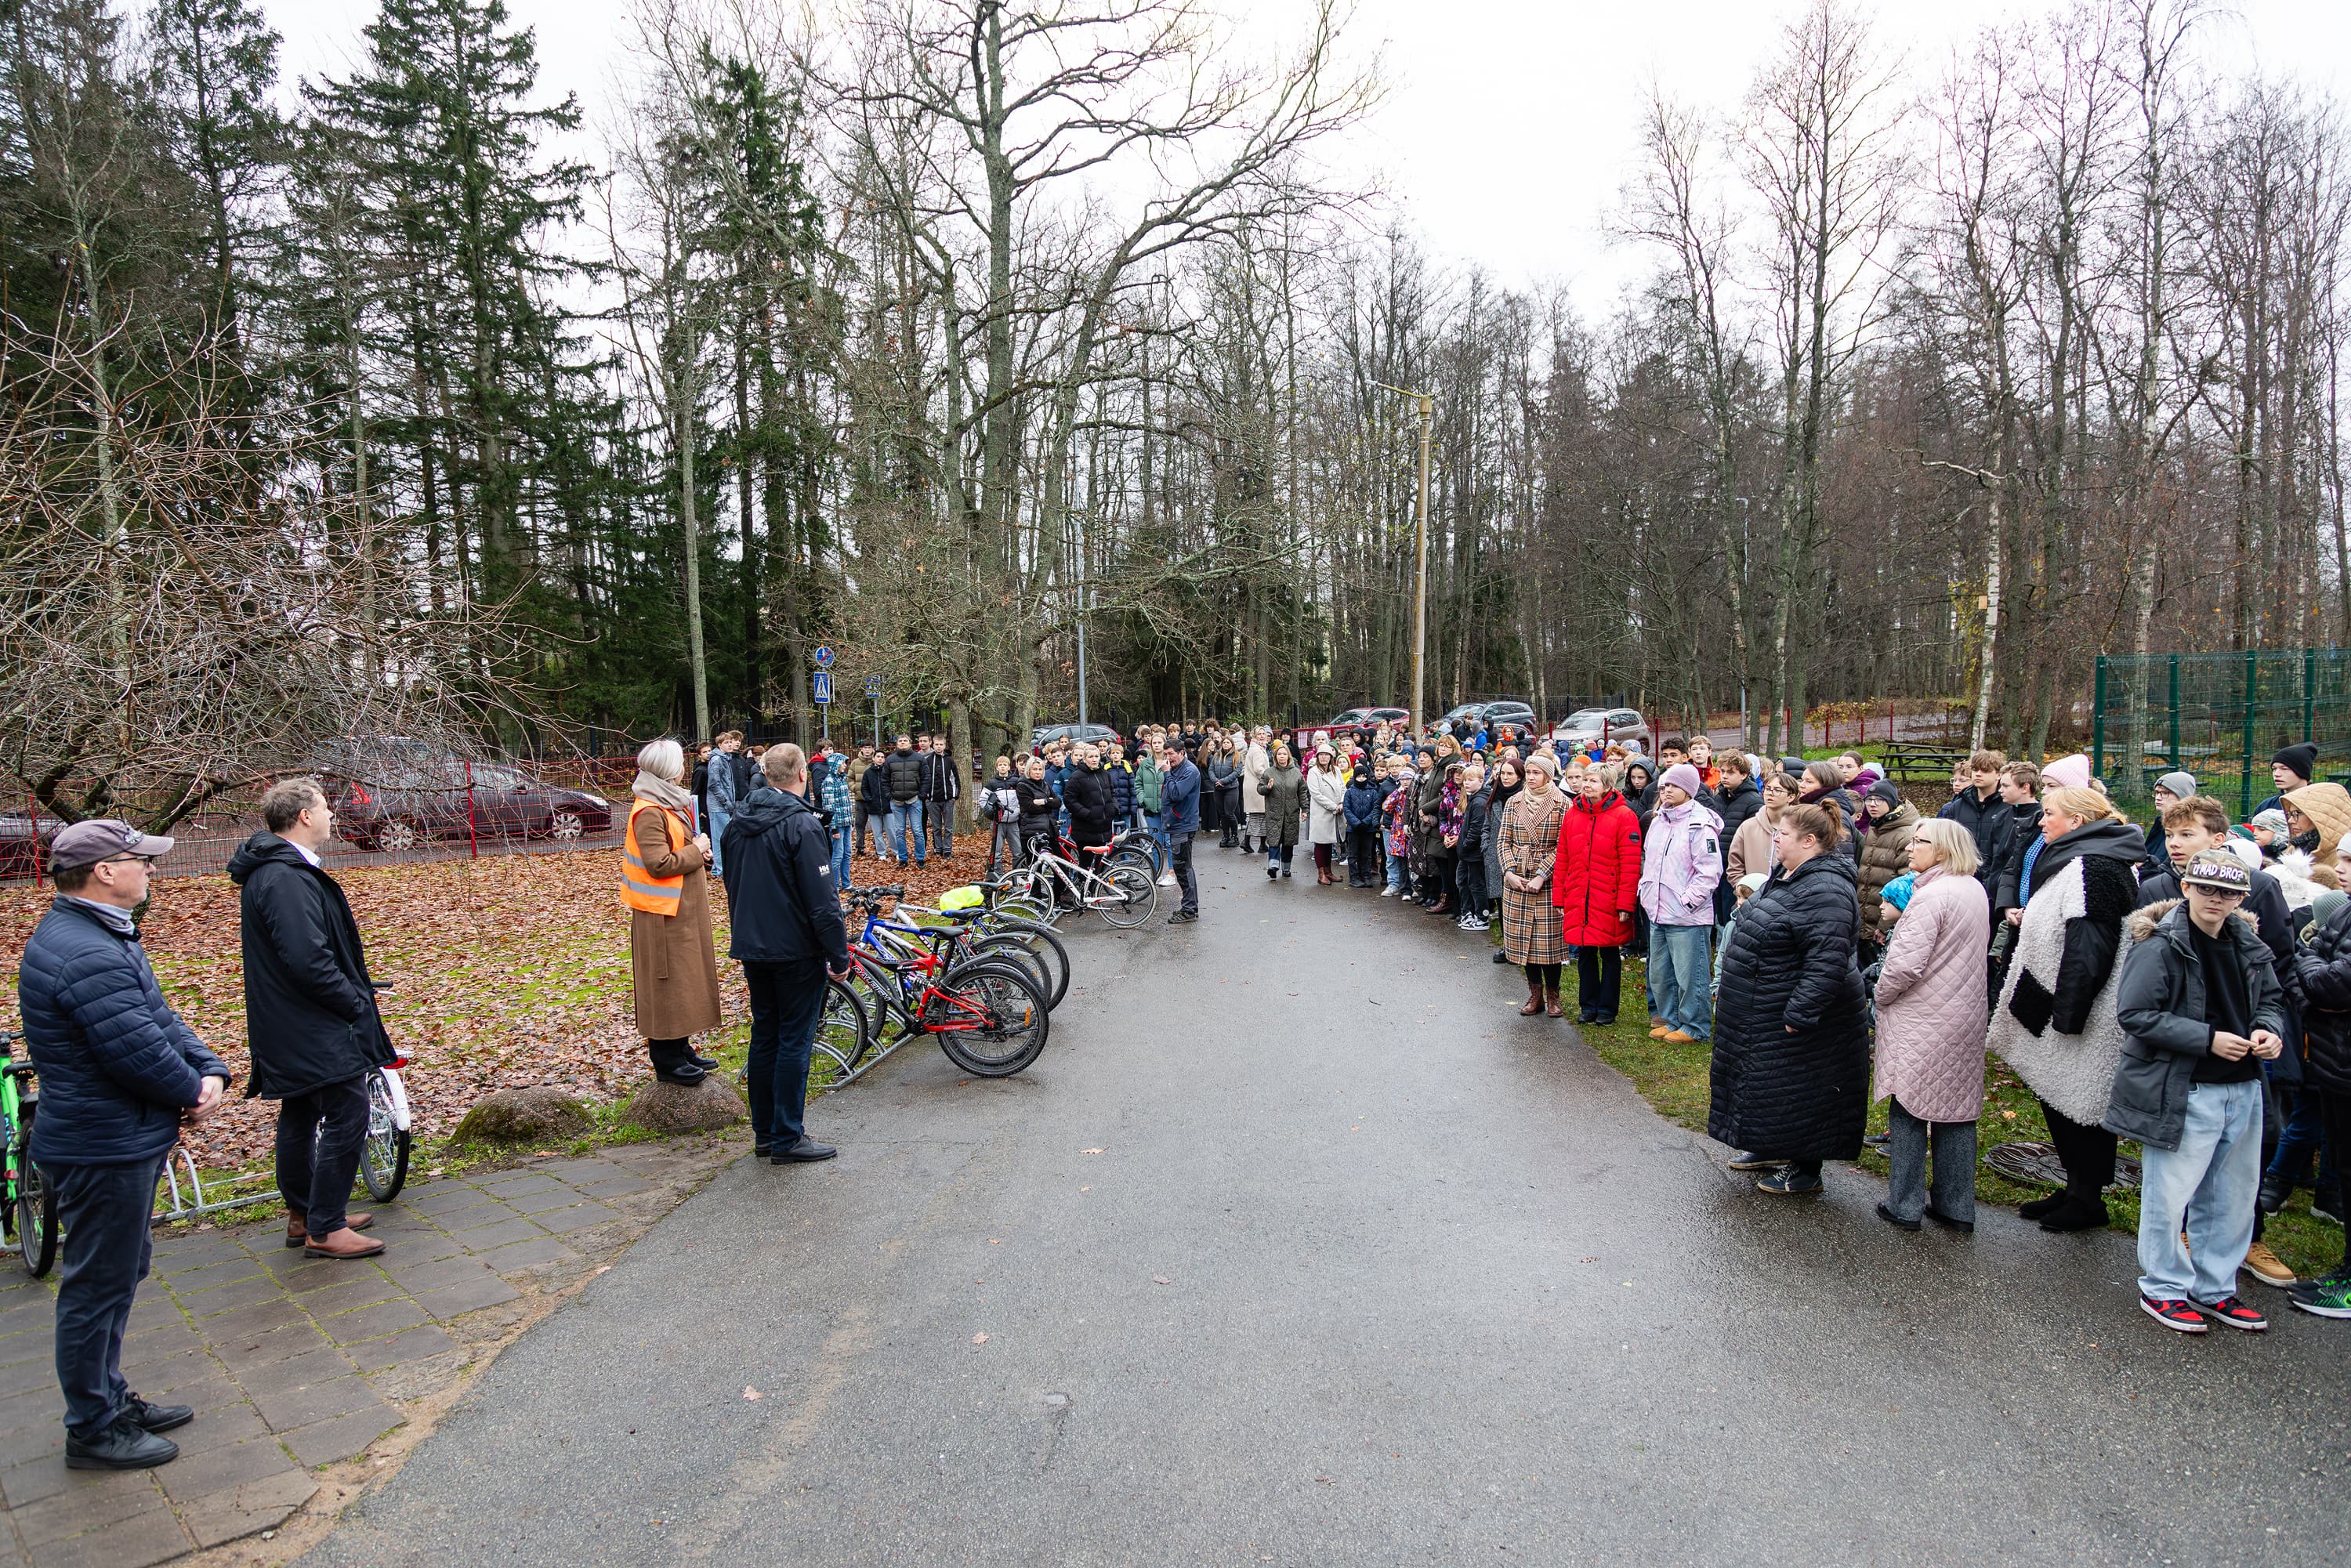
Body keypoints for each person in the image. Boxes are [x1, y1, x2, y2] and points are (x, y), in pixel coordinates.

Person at [19, 818, 230, 1471]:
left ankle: (108, 1399)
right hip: (101, 1144)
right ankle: (92, 1426)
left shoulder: (101, 932)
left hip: (114, 1136)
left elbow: (156, 1017)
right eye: (140, 859)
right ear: (105, 871)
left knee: (118, 1273)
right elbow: (132, 1049)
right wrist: (191, 1091)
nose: (151, 868)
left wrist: (210, 1066)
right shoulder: (84, 950)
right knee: (96, 1286)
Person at [2107, 856, 2285, 1332]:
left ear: (2241, 898)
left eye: (2227, 893)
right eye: (2205, 889)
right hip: (2184, 1088)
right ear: (2186, 887)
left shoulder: (2249, 943)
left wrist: (2269, 1031)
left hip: (2244, 1087)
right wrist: (2207, 1039)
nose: (2215, 899)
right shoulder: (2159, 943)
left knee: (2233, 1196)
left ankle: (2215, 1288)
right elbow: (2135, 1014)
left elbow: (2272, 1000)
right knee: (2170, 1195)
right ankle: (2163, 1288)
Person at [227, 778, 394, 1262]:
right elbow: (307, 959)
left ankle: (305, 1214)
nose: (331, 816)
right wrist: (353, 1002)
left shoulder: (278, 871)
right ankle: (325, 1226)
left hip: (289, 1019)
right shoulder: (285, 877)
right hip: (309, 1020)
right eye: (325, 807)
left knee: (300, 1111)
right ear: (304, 815)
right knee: (348, 1110)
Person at [1984, 784, 2145, 1232]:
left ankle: (2088, 1199)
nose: (2041, 820)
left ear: (2077, 821)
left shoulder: (2096, 866)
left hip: (2077, 1010)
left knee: (2080, 1103)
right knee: (2057, 1097)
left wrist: (2069, 1016)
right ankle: (2076, 1187)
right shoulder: (2079, 858)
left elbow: (2091, 946)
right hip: (2050, 997)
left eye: (2049, 813)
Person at [1708, 802, 1869, 1196]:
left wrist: (1801, 1011)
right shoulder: (1789, 874)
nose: (1776, 838)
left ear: (1809, 841)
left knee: (1804, 1088)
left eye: (1783, 833)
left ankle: (1806, 1169)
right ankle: (1771, 1145)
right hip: (1763, 1004)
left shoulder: (1827, 888)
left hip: (1797, 1011)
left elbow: (1828, 960)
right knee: (1770, 1083)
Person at [722, 744, 852, 1164]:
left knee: (766, 1035)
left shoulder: (737, 824)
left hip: (753, 944)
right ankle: (786, 1136)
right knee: (793, 1039)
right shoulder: (802, 826)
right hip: (794, 948)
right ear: (801, 774)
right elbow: (823, 901)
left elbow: (732, 885)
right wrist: (838, 956)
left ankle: (767, 1133)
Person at [1870, 818, 1993, 1232]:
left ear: (1941, 849)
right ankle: (1956, 1207)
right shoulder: (1973, 888)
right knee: (1955, 1110)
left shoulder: (1930, 896)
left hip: (1924, 1016)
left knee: (1909, 1106)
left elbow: (1904, 965)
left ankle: (1904, 1205)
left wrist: (1880, 995)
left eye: (1919, 842)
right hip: (1964, 1014)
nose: (1910, 848)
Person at [624, 738, 721, 1086]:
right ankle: (666, 1060)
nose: (684, 768)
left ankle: (680, 1047)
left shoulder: (665, 802)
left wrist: (698, 854)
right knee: (666, 985)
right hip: (661, 914)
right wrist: (697, 849)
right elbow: (659, 864)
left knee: (682, 982)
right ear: (669, 770)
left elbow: (675, 850)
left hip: (677, 910)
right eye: (679, 763)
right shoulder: (649, 811)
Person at [2288, 884, 2351, 1317]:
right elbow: (2301, 972)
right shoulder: (2345, 911)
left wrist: (2313, 969)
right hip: (2334, 1065)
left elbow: (2329, 985)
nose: (2340, 871)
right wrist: (2314, 980)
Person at [1639, 762, 1724, 1045]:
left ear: (1688, 790)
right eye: (1664, 785)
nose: (1666, 790)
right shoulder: (1658, 820)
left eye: (1673, 786)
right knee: (1661, 973)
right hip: (1657, 910)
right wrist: (1646, 892)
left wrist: (1688, 902)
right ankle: (1672, 1019)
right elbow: (1650, 860)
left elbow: (1709, 871)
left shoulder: (1700, 824)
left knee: (1691, 975)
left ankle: (1695, 1025)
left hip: (1687, 916)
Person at [1554, 764, 1641, 1024]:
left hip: (1608, 896)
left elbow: (1630, 863)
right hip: (1580, 894)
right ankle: (1588, 1005)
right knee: (1585, 952)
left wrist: (1626, 903)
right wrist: (1560, 895)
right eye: (1585, 780)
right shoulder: (1574, 814)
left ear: (1607, 786)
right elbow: (1563, 857)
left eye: (1593, 781)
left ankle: (1607, 1008)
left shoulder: (1624, 816)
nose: (1586, 785)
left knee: (1610, 953)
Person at [1500, 753, 1572, 1017]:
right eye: (1528, 772)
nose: (1530, 777)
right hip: (1518, 878)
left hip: (1548, 881)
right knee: (1525, 942)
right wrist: (1509, 871)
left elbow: (1564, 845)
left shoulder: (1563, 804)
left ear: (1548, 775)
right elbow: (1503, 840)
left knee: (1548, 942)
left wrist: (1543, 874)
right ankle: (1535, 994)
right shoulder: (1514, 801)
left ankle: (1554, 995)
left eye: (1536, 773)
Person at [1854, 780, 1921, 945]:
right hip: (1865, 919)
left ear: (1891, 802)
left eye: (1879, 800)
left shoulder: (1905, 834)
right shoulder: (1874, 827)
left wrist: (1886, 926)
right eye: (1869, 800)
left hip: (1885, 923)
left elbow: (1907, 885)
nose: (1872, 804)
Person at [1938, 748, 2009, 880]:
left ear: (1998, 775)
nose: (1978, 774)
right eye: (1975, 770)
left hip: (1997, 877)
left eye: (1985, 770)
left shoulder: (2008, 806)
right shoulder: (1957, 807)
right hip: (1962, 876)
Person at [1726, 770, 1795, 885]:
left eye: (1777, 790)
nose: (1770, 793)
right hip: (1752, 893)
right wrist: (1745, 889)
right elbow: (1734, 868)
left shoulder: (1800, 828)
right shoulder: (1748, 827)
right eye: (1768, 789)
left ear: (1791, 797)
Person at [1161, 741, 1201, 923]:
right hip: (1176, 824)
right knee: (1182, 867)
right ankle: (1190, 907)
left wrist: (1166, 773)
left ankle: (1189, 910)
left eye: (1171, 754)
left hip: (1183, 825)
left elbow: (1176, 794)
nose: (1168, 758)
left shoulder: (1189, 771)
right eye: (1166, 754)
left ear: (1182, 753)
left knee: (1183, 868)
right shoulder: (1177, 769)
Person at [1256, 743, 1305, 881]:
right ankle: (1273, 867)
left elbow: (1302, 792)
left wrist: (1305, 810)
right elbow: (1260, 789)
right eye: (1279, 754)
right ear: (1275, 756)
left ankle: (1286, 868)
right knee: (1274, 840)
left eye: (1284, 754)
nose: (1282, 756)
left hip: (1291, 813)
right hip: (1274, 812)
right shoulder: (1269, 772)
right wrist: (1267, 787)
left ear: (1288, 756)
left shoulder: (1296, 773)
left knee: (1288, 842)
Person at [2142, 770, 2197, 883]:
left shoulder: (2192, 827)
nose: (2158, 797)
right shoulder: (2160, 823)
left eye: (2165, 793)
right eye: (2157, 792)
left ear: (2182, 796)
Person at [1454, 761, 1491, 929]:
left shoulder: (1479, 802)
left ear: (1481, 781)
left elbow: (1476, 829)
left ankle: (1482, 917)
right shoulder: (1473, 799)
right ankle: (1468, 913)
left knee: (1476, 885)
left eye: (1471, 780)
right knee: (1462, 881)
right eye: (1465, 780)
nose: (1467, 783)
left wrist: (1465, 845)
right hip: (1467, 853)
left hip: (1473, 853)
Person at [880, 733, 926, 867]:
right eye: (900, 741)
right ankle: (903, 859)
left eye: (905, 741)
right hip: (897, 801)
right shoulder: (890, 760)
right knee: (899, 832)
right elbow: (884, 779)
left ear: (910, 743)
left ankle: (920, 858)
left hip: (914, 800)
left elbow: (926, 777)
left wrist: (922, 794)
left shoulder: (919, 758)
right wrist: (889, 795)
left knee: (917, 831)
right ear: (897, 744)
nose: (903, 743)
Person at [817, 744, 857, 890]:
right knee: (838, 855)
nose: (845, 766)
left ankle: (846, 883)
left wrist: (851, 822)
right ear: (836, 765)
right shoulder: (829, 782)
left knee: (847, 854)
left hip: (846, 823)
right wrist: (833, 829)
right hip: (837, 826)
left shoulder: (842, 779)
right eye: (843, 763)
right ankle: (834, 885)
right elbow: (829, 807)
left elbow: (847, 803)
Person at [1307, 745, 1346, 885]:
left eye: (1327, 754)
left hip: (1336, 812)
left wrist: (1342, 803)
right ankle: (1321, 874)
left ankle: (1329, 872)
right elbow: (1316, 794)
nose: (1324, 757)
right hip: (1322, 813)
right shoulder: (1314, 772)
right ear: (1317, 756)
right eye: (1321, 754)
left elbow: (1343, 788)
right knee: (1320, 843)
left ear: (1331, 757)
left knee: (1330, 843)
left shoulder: (1336, 770)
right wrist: (1334, 806)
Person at [920, 732, 961, 860]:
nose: (938, 747)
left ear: (944, 745)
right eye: (936, 744)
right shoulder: (928, 761)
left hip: (947, 800)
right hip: (932, 800)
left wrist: (954, 796)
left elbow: (955, 779)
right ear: (933, 745)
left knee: (948, 827)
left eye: (941, 744)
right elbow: (923, 779)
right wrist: (926, 796)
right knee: (936, 827)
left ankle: (947, 850)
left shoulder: (949, 761)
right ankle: (938, 849)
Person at [1014, 755, 1060, 866]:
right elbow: (1031, 808)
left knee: (1060, 863)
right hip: (1032, 831)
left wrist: (1044, 801)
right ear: (1029, 770)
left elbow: (1058, 802)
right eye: (1035, 769)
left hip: (1049, 830)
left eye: (1040, 769)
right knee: (1035, 866)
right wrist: (1049, 804)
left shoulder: (1044, 784)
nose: (1038, 772)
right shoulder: (1022, 785)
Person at [980, 756, 1023, 875]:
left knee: (1018, 852)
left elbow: (1022, 797)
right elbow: (983, 800)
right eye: (1000, 765)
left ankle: (1017, 876)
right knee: (997, 852)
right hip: (998, 823)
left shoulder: (1016, 782)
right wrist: (992, 812)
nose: (1003, 767)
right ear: (997, 767)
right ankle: (998, 876)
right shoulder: (992, 784)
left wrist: (1018, 810)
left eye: (1005, 765)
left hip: (1013, 823)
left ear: (1009, 767)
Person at [2258, 743, 2318, 819]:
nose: (2277, 774)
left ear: (2302, 771)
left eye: (2284, 769)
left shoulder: (2318, 805)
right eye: (2274, 769)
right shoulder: (2267, 806)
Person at [857, 743, 894, 866]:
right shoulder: (868, 773)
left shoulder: (888, 772)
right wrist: (869, 799)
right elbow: (864, 788)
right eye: (878, 757)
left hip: (888, 806)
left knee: (891, 831)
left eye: (882, 757)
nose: (880, 759)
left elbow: (893, 785)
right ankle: (881, 852)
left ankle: (896, 851)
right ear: (873, 758)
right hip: (873, 807)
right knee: (877, 832)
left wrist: (890, 798)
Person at [1713, 751, 1759, 842]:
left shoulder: (1755, 802)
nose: (1724, 776)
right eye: (1723, 771)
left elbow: (1754, 839)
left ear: (1743, 775)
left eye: (1730, 773)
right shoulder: (1718, 798)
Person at [1240, 728, 1270, 852]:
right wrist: (1270, 777)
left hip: (1255, 786)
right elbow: (1259, 770)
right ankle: (1248, 842)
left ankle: (1260, 844)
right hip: (1258, 786)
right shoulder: (1257, 750)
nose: (1262, 736)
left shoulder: (1257, 748)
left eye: (1264, 734)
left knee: (1260, 815)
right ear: (1254, 736)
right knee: (1258, 815)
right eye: (1259, 734)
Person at [847, 741, 878, 859]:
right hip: (860, 799)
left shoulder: (876, 761)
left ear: (873, 749)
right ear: (861, 749)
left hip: (874, 800)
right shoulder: (855, 763)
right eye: (865, 748)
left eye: (869, 748)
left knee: (877, 826)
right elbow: (850, 779)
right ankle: (860, 848)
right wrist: (856, 788)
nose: (867, 750)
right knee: (859, 825)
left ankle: (878, 848)